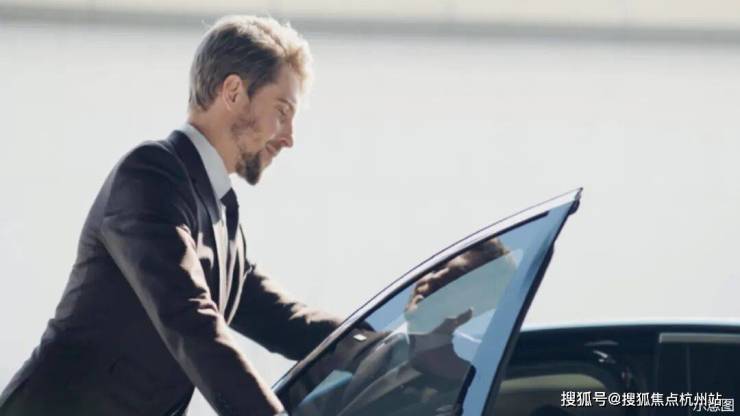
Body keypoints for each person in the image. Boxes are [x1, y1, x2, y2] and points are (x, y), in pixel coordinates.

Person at [0, 15, 341, 416]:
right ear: (233, 92)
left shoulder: (221, 216)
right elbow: (191, 320)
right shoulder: (149, 175)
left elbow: (285, 320)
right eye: (282, 111)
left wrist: (380, 341)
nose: (289, 137)